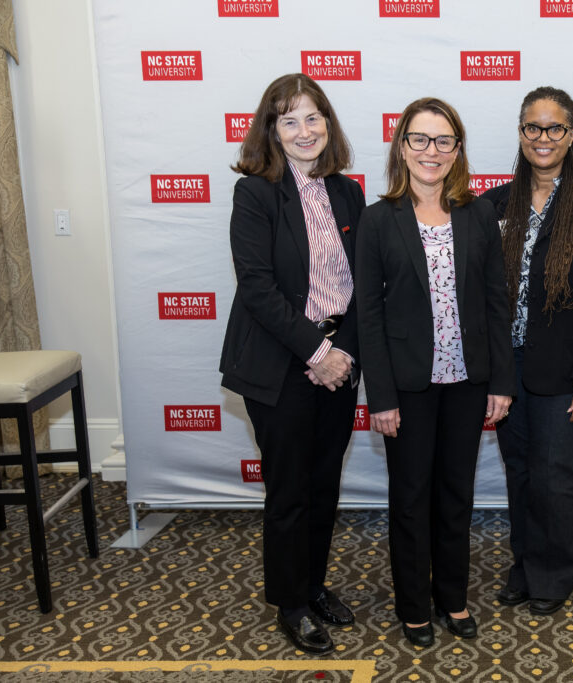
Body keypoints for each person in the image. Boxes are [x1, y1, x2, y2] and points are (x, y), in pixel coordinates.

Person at [355, 97, 515, 647]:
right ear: (403, 147)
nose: (432, 151)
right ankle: (413, 606)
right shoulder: (378, 220)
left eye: (444, 140)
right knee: (411, 498)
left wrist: (500, 381)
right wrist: (380, 396)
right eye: (420, 139)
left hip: (468, 383)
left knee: (456, 496)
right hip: (407, 387)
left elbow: (498, 303)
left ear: (457, 150)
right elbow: (369, 317)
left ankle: (452, 598)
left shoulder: (477, 215)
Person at [219, 73, 364, 653]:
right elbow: (257, 288)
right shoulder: (255, 193)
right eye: (289, 120)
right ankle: (291, 602)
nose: (303, 131)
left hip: (338, 362)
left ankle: (314, 583)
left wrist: (343, 352)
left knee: (325, 484)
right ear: (271, 131)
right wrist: (317, 352)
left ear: (327, 123)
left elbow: (362, 284)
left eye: (312, 117)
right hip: (281, 364)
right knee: (289, 490)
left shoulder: (348, 193)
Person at [481, 86, 573, 616]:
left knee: (555, 474)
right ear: (520, 133)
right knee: (519, 470)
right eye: (532, 128)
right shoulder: (493, 204)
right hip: (505, 368)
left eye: (554, 128)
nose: (542, 138)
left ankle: (554, 573)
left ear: (572, 134)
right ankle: (524, 564)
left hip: (565, 370)